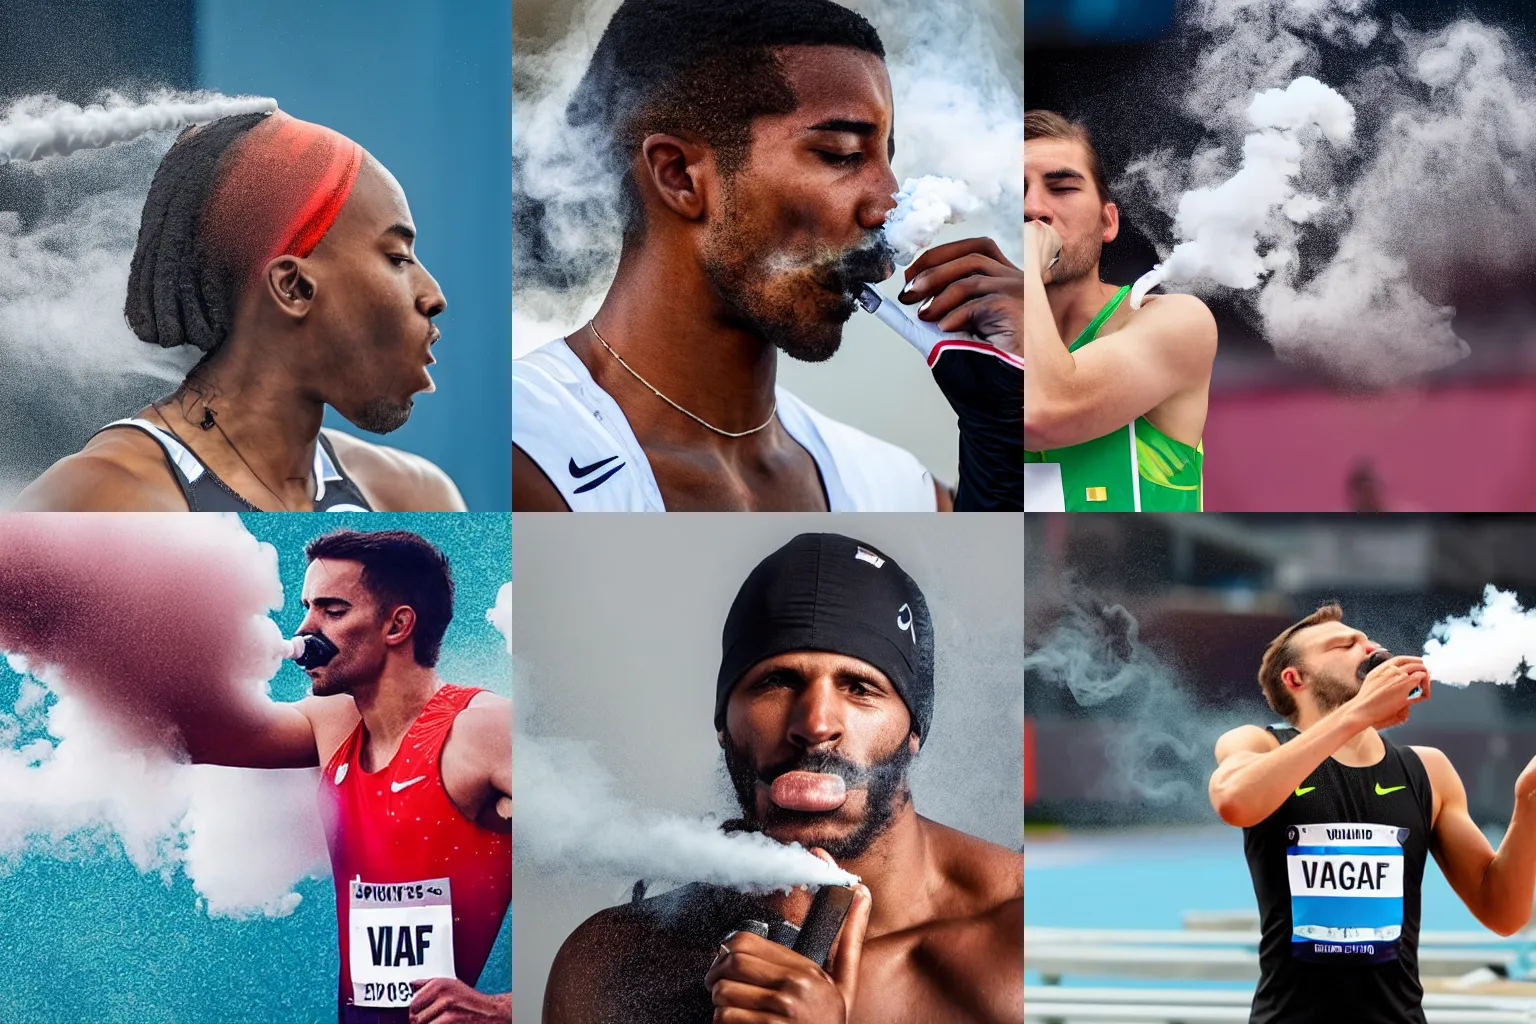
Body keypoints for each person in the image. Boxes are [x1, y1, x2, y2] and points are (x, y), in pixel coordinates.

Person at [512, 0, 1023, 512]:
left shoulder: (892, 487)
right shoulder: (522, 450)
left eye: (887, 160)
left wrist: (1003, 434)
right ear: (679, 176)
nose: (889, 208)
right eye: (841, 154)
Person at [542, 533, 1023, 1022]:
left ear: (913, 730)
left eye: (860, 687)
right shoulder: (613, 966)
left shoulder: (1026, 936)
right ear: (724, 726)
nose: (815, 725)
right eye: (775, 681)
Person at [12, 111, 467, 512]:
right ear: (293, 287)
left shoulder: (415, 497)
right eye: (398, 258)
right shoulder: (96, 503)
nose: (434, 296)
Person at [184, 530, 510, 1022]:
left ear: (397, 625)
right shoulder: (332, 723)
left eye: (332, 611)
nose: (305, 628)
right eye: (307, 607)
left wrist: (509, 1009)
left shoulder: (483, 729)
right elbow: (187, 737)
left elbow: (612, 849)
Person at [1209, 604, 1536, 1024]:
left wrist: (1528, 798)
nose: (1369, 649)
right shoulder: (1258, 745)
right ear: (1296, 679)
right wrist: (1358, 712)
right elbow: (1235, 800)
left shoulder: (1428, 770)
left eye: (1369, 641)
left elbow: (1503, 913)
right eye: (1345, 644)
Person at [1024, 109, 1217, 512]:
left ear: (1107, 222)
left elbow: (1041, 412)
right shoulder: (983, 334)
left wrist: (1025, 261)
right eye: (1014, 192)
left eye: (1061, 188)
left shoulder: (1180, 321)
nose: (1033, 209)